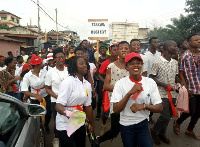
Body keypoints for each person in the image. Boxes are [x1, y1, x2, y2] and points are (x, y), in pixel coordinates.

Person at [111, 52, 163, 147]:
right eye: (132, 63)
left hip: (142, 123)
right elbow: (116, 110)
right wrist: (130, 93)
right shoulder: (120, 84)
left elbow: (159, 107)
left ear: (142, 65)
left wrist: (143, 106)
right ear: (126, 67)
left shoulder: (150, 82)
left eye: (138, 63)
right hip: (126, 124)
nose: (135, 65)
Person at [55, 56, 95, 147]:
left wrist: (92, 124)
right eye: (81, 64)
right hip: (65, 123)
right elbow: (58, 106)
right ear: (74, 67)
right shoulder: (68, 82)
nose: (85, 65)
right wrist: (69, 114)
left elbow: (88, 106)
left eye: (85, 63)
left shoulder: (87, 85)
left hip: (79, 121)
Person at [97, 41, 130, 144]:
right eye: (121, 48)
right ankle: (98, 140)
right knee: (115, 130)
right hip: (116, 102)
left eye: (126, 48)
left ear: (129, 50)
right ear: (117, 51)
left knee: (130, 128)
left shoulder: (133, 65)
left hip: (131, 102)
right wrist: (124, 90)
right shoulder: (111, 66)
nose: (123, 50)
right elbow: (106, 86)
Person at [150, 40, 179, 145]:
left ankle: (162, 134)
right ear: (167, 48)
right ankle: (154, 131)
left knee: (169, 116)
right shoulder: (158, 62)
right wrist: (164, 85)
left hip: (173, 93)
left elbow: (176, 77)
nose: (176, 47)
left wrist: (179, 83)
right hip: (161, 93)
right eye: (174, 46)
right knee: (165, 116)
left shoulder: (175, 62)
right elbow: (151, 77)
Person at [173, 34, 200, 140]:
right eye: (196, 40)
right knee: (191, 111)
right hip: (191, 87)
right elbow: (181, 73)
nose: (198, 41)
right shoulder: (185, 56)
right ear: (189, 42)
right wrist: (186, 87)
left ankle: (190, 129)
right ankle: (178, 122)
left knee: (198, 111)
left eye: (199, 39)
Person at [21, 56, 52, 134]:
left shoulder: (45, 72)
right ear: (37, 65)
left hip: (45, 96)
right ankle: (39, 128)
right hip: (34, 99)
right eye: (40, 63)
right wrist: (36, 96)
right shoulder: (28, 76)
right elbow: (24, 90)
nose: (42, 64)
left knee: (48, 112)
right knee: (37, 115)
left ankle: (46, 124)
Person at [45, 48, 69, 142]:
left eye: (62, 57)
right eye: (58, 58)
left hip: (69, 101)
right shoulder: (50, 72)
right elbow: (47, 88)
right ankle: (57, 138)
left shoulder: (69, 70)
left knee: (70, 120)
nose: (61, 59)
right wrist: (57, 96)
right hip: (56, 101)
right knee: (58, 122)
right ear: (54, 59)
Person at [96, 44, 118, 121]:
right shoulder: (105, 63)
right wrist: (105, 82)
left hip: (116, 84)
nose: (116, 52)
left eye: (117, 50)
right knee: (101, 99)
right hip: (104, 83)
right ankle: (100, 114)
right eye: (114, 50)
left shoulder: (121, 62)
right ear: (110, 51)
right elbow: (99, 74)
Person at [145, 37, 161, 123]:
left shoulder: (159, 54)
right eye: (154, 42)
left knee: (155, 99)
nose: (156, 44)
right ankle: (147, 116)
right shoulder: (146, 55)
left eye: (157, 42)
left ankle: (150, 115)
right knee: (148, 99)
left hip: (158, 81)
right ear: (150, 44)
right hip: (148, 80)